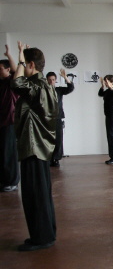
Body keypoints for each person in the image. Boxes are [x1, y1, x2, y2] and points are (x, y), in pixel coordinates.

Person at [11, 42, 58, 251]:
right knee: (41, 193)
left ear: (31, 64)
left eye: (24, 64)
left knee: (34, 195)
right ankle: (46, 234)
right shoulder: (44, 86)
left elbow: (17, 83)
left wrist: (20, 59)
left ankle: (41, 238)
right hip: (39, 147)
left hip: (33, 146)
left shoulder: (36, 86)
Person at [0, 44, 20, 192]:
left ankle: (12, 181)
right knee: (2, 153)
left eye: (1, 68)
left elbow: (15, 70)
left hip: (9, 122)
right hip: (1, 122)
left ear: (7, 69)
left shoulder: (11, 82)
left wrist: (9, 56)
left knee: (9, 153)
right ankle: (4, 180)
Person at [46, 68, 74, 167]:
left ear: (55, 80)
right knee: (48, 139)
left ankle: (56, 158)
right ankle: (48, 158)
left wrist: (65, 77)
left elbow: (70, 88)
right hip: (47, 119)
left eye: (53, 79)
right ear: (46, 80)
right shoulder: (44, 91)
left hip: (58, 118)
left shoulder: (58, 90)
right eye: (49, 80)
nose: (51, 81)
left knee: (58, 139)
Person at [98, 75, 113, 165]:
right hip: (109, 115)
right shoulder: (107, 91)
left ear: (111, 82)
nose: (106, 83)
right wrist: (102, 86)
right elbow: (100, 94)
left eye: (107, 82)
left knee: (112, 136)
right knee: (110, 136)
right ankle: (112, 157)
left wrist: (110, 86)